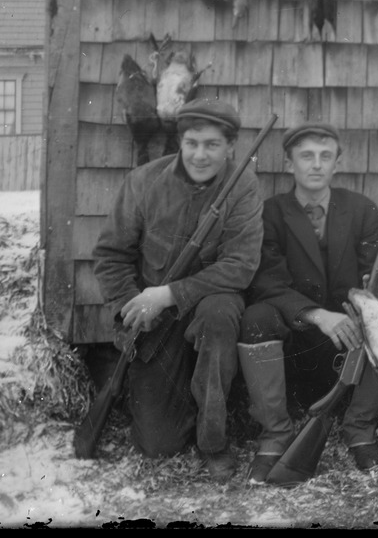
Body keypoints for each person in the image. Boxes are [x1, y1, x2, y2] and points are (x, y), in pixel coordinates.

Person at [91, 98, 263, 482]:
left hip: (211, 305)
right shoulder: (143, 181)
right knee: (158, 444)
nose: (200, 155)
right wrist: (130, 307)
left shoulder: (243, 186)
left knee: (218, 314)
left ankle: (213, 442)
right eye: (192, 143)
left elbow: (240, 266)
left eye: (212, 145)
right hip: (156, 320)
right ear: (180, 143)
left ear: (230, 147)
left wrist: (168, 294)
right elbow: (110, 255)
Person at [239, 122, 378, 484]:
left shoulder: (361, 209)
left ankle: (360, 428)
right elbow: (266, 282)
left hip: (349, 342)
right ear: (289, 164)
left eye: (326, 156)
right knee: (257, 316)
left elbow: (373, 271)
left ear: (338, 163)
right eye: (306, 156)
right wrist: (316, 314)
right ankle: (275, 435)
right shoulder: (270, 213)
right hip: (296, 346)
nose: (316, 165)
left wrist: (374, 294)